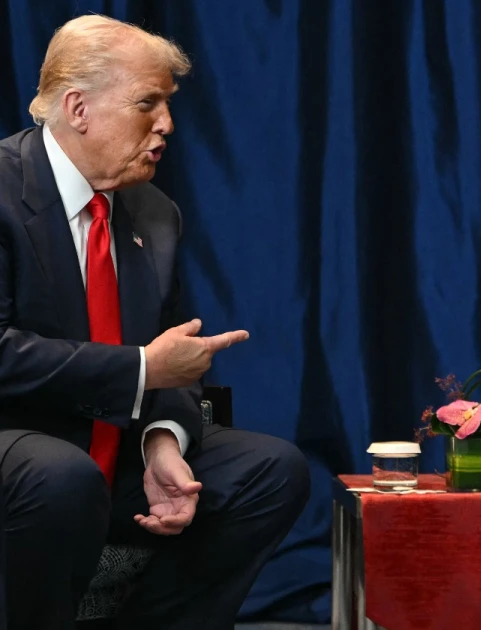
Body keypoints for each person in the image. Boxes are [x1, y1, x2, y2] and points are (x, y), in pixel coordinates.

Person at [0, 15, 310, 629]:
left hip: (111, 450)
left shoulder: (153, 212)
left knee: (272, 470)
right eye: (148, 104)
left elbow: (170, 356)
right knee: (63, 477)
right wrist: (142, 368)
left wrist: (162, 441)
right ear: (79, 108)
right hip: (21, 445)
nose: (166, 124)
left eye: (167, 104)